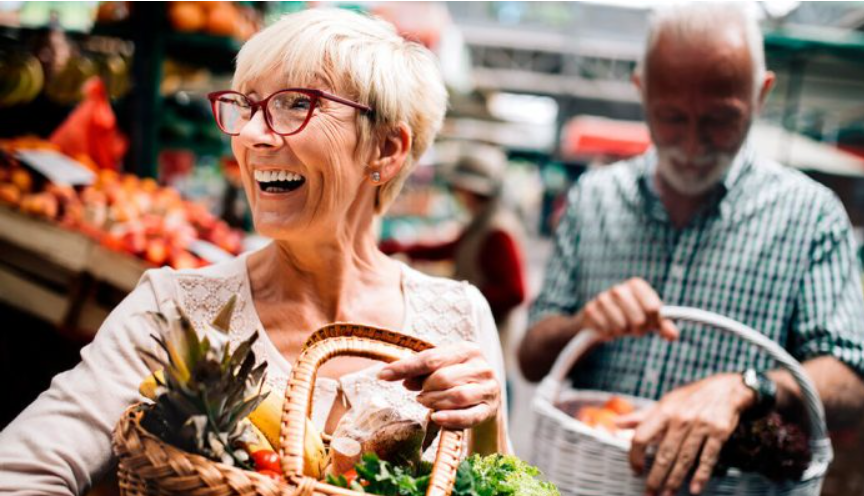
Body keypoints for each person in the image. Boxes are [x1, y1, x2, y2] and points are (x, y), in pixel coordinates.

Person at [0, 9, 508, 495]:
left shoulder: (458, 319)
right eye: (245, 106)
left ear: (387, 149)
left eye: (295, 104)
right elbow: (20, 471)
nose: (250, 134)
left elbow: (502, 482)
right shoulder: (174, 311)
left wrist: (485, 428)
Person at [519, 4, 864, 496]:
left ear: (761, 94)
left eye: (720, 120)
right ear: (642, 91)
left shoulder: (811, 215)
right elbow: (532, 359)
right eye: (671, 118)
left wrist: (749, 387)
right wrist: (584, 324)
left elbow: (851, 380)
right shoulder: (594, 198)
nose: (691, 143)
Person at [381, 144, 527, 342]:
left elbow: (514, 292)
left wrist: (460, 299)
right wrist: (399, 248)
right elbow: (452, 249)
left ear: (472, 190)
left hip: (490, 332)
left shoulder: (497, 231)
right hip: (479, 326)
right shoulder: (482, 223)